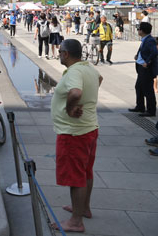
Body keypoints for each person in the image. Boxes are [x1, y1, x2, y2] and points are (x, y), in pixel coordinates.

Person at [51, 39, 102, 233]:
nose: (59, 55)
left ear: (65, 54)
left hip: (73, 133)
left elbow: (75, 92)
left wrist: (70, 108)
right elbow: (99, 79)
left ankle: (75, 221)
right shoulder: (88, 68)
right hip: (89, 128)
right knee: (86, 171)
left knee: (75, 177)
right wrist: (89, 101)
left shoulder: (74, 72)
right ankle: (84, 208)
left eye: (60, 52)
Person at [128, 22, 158, 119]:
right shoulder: (145, 39)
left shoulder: (150, 40)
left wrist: (147, 62)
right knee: (139, 87)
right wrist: (138, 56)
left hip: (146, 69)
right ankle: (140, 106)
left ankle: (151, 110)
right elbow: (143, 50)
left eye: (139, 29)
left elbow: (154, 52)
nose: (138, 30)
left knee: (148, 89)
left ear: (142, 31)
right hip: (141, 67)